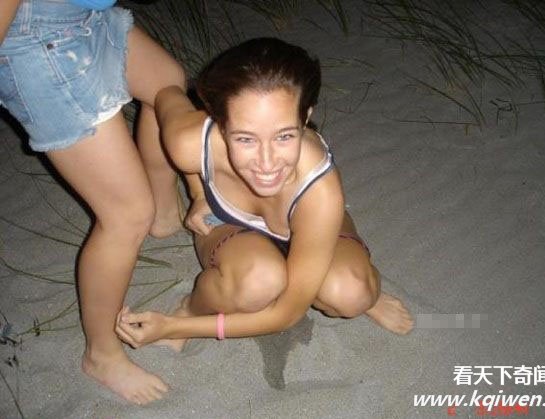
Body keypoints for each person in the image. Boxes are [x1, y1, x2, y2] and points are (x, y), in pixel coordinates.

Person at [116, 37, 414, 351]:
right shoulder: (190, 142)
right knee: (259, 281)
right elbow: (163, 95)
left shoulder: (321, 191)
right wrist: (199, 192)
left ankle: (359, 290)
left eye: (284, 136)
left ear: (305, 116)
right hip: (230, 224)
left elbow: (287, 314)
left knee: (352, 292)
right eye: (245, 139)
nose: (267, 163)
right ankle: (191, 307)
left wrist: (172, 328)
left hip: (308, 224)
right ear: (219, 122)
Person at [0, 0, 189, 404]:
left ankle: (164, 215)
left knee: (166, 85)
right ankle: (101, 355)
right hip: (37, 40)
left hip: (87, 18)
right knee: (126, 214)